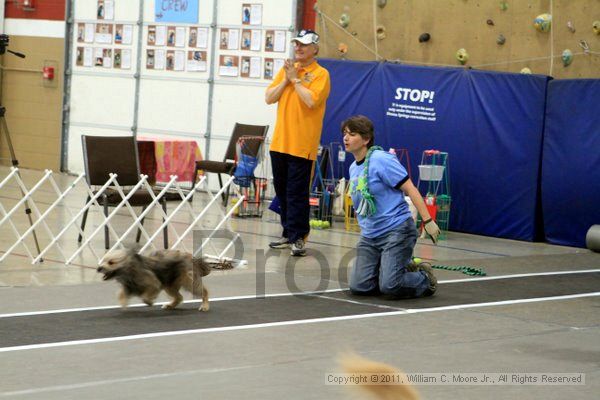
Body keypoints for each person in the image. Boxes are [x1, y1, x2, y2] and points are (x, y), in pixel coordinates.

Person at [342, 115, 441, 297]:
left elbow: (410, 188)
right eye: (345, 134)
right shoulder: (353, 168)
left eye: (352, 134)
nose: (346, 138)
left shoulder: (382, 159)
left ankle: (424, 278)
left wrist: (428, 220)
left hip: (396, 231)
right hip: (370, 236)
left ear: (366, 139)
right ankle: (392, 268)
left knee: (390, 286)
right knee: (359, 287)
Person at [265, 29, 331, 256]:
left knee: (297, 193)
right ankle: (287, 233)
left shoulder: (321, 74)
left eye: (303, 45)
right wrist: (286, 79)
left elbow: (311, 101)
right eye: (296, 44)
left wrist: (295, 80)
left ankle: (299, 237)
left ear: (315, 49)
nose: (299, 48)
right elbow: (269, 97)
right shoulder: (288, 71)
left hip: (302, 145)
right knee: (282, 191)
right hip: (280, 143)